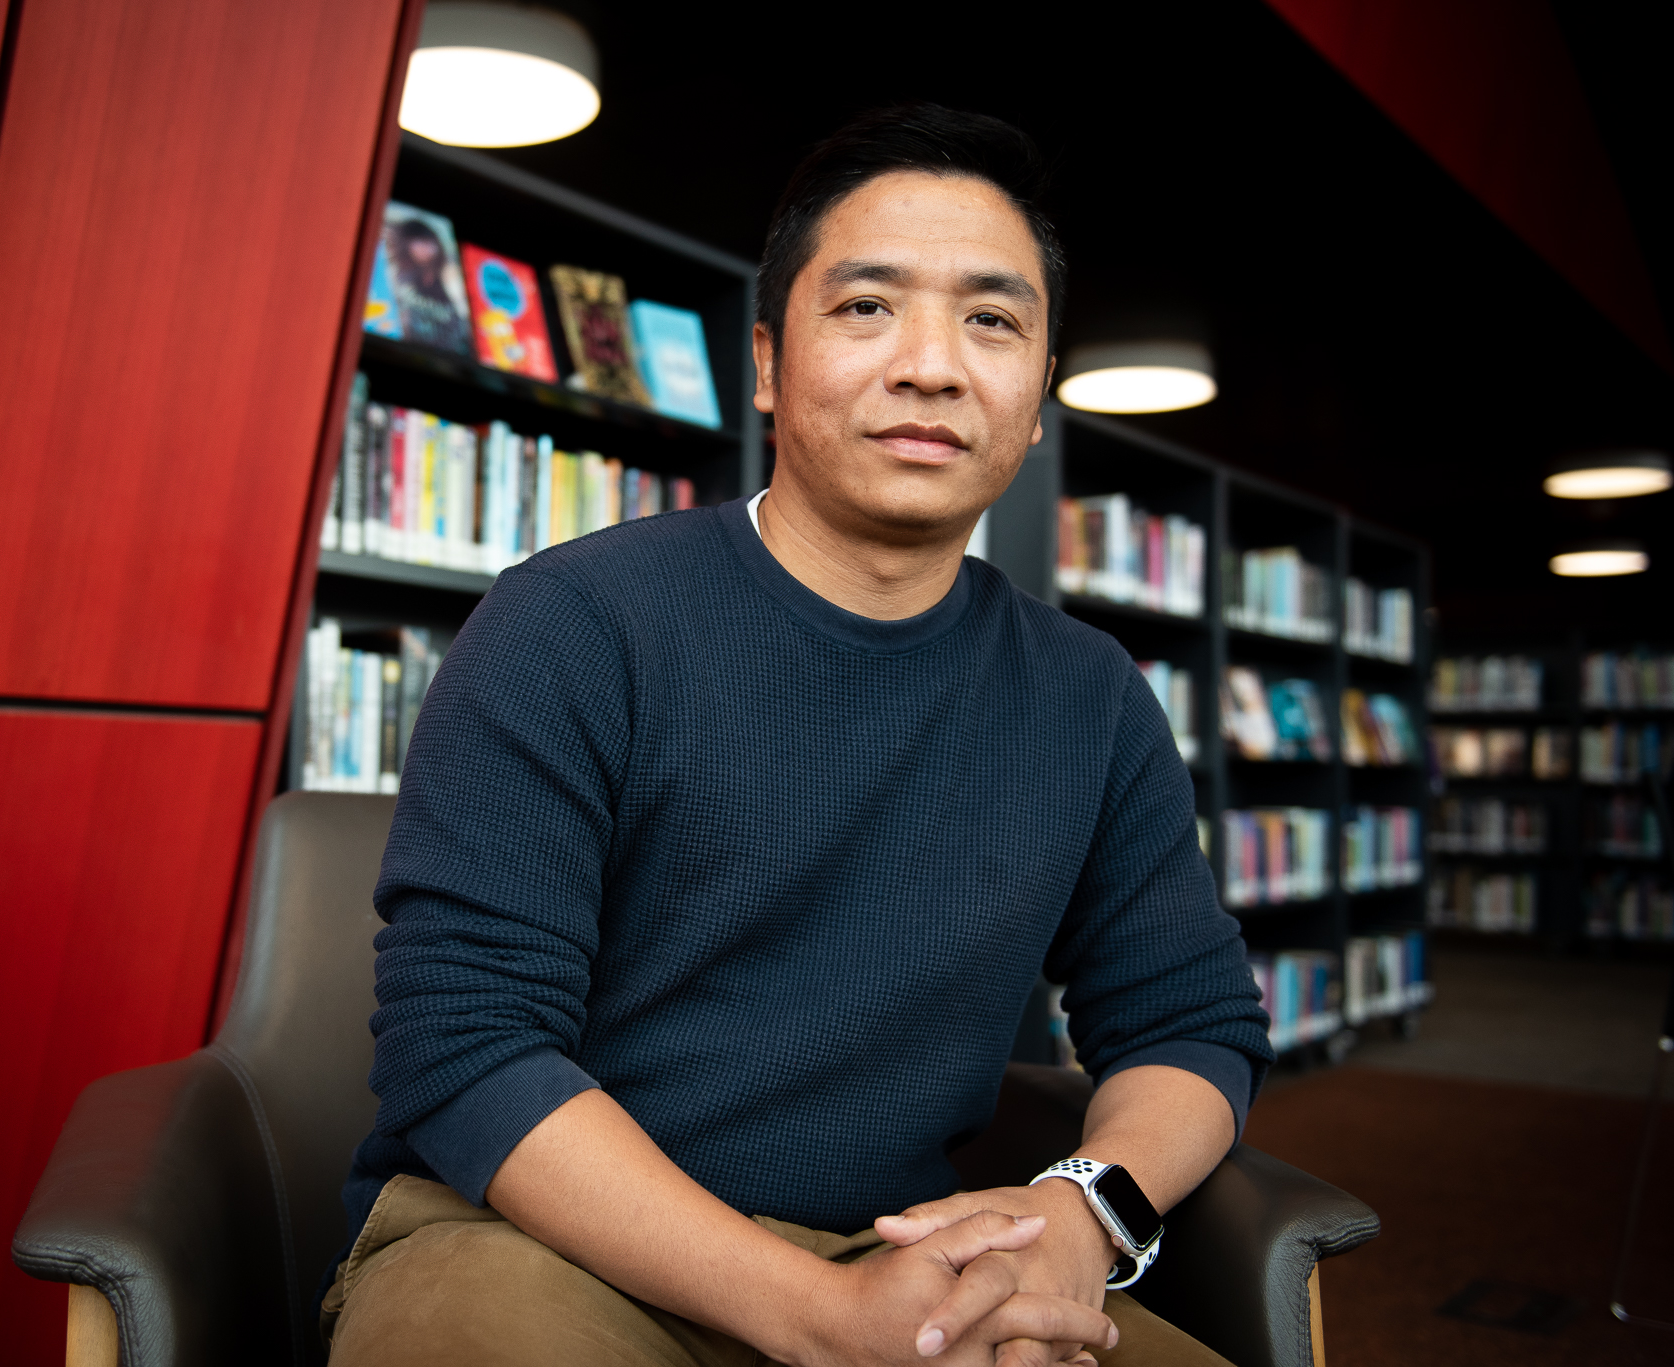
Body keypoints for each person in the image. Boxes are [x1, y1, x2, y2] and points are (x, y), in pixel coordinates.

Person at [323, 103, 1274, 1367]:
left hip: (893, 1254)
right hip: (535, 1240)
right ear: (767, 363)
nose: (932, 364)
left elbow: (1188, 1021)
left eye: (991, 320)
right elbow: (467, 1042)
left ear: (1037, 400)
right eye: (867, 306)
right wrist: (816, 1319)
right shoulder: (573, 619)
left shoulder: (1088, 695)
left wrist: (1078, 1214)